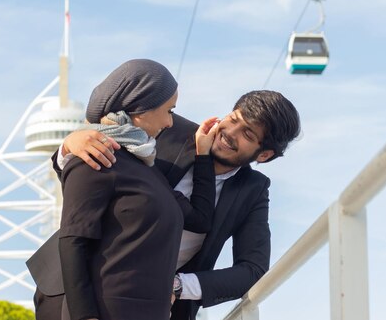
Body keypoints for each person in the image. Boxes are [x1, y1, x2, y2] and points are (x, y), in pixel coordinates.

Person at [29, 90, 301, 320]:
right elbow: (93, 156)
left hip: (149, 306)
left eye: (248, 134)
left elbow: (251, 271)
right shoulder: (168, 129)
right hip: (72, 283)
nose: (229, 132)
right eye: (233, 118)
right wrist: (70, 144)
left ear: (263, 155)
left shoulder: (253, 191)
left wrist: (177, 286)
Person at [39, 59, 218, 320]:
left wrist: (203, 155)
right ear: (141, 108)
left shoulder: (149, 169)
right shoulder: (97, 156)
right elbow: (73, 241)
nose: (170, 123)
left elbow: (200, 218)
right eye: (169, 110)